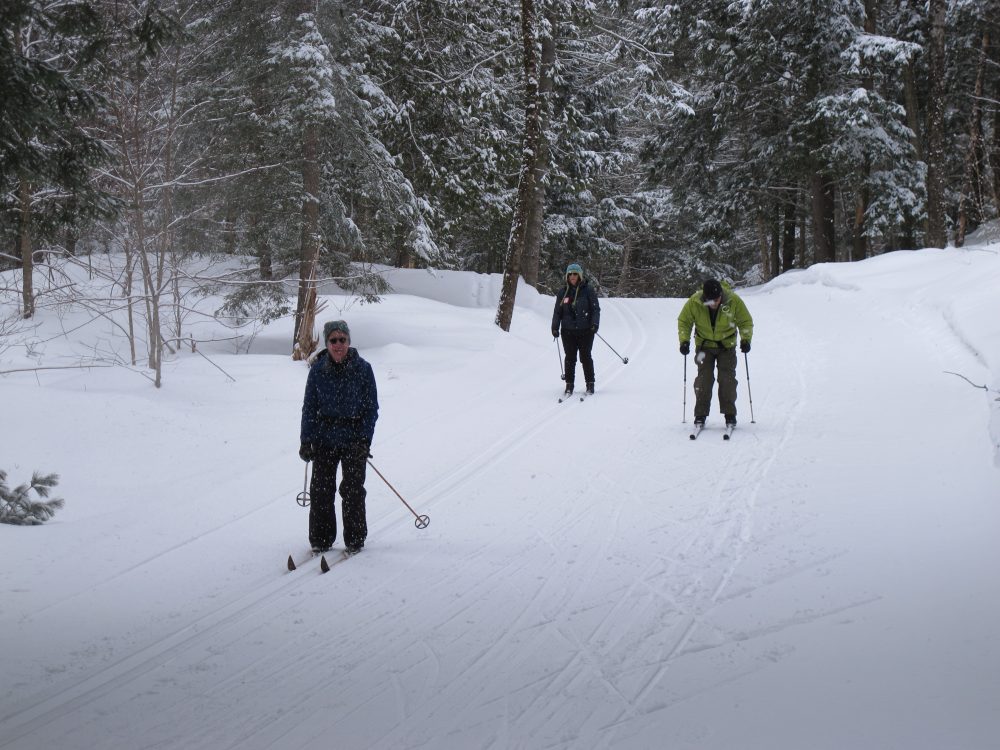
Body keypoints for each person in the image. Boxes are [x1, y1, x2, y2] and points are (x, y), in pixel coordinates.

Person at [299, 320, 379, 554]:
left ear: (348, 341)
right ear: (327, 343)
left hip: (353, 439)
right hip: (324, 438)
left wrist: (364, 440)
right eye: (333, 340)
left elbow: (371, 409)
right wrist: (306, 440)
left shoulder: (363, 369)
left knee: (353, 490)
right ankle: (321, 539)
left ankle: (355, 538)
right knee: (321, 490)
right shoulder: (318, 370)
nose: (338, 345)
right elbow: (309, 408)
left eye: (342, 340)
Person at [677, 278, 753, 426]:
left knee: (727, 379)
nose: (714, 303)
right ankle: (700, 414)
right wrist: (684, 341)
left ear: (721, 296)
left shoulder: (733, 301)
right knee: (704, 380)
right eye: (710, 301)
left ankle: (730, 413)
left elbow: (745, 321)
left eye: (716, 300)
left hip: (727, 346)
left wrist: (746, 339)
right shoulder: (695, 302)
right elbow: (684, 321)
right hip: (704, 346)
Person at [551, 262, 601, 395]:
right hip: (567, 331)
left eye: (575, 274)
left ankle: (590, 384)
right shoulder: (563, 292)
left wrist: (594, 324)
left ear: (579, 275)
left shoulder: (588, 290)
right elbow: (557, 312)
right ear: (567, 276)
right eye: (570, 274)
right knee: (570, 358)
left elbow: (595, 309)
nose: (572, 276)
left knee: (585, 357)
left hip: (586, 331)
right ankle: (569, 385)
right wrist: (555, 327)